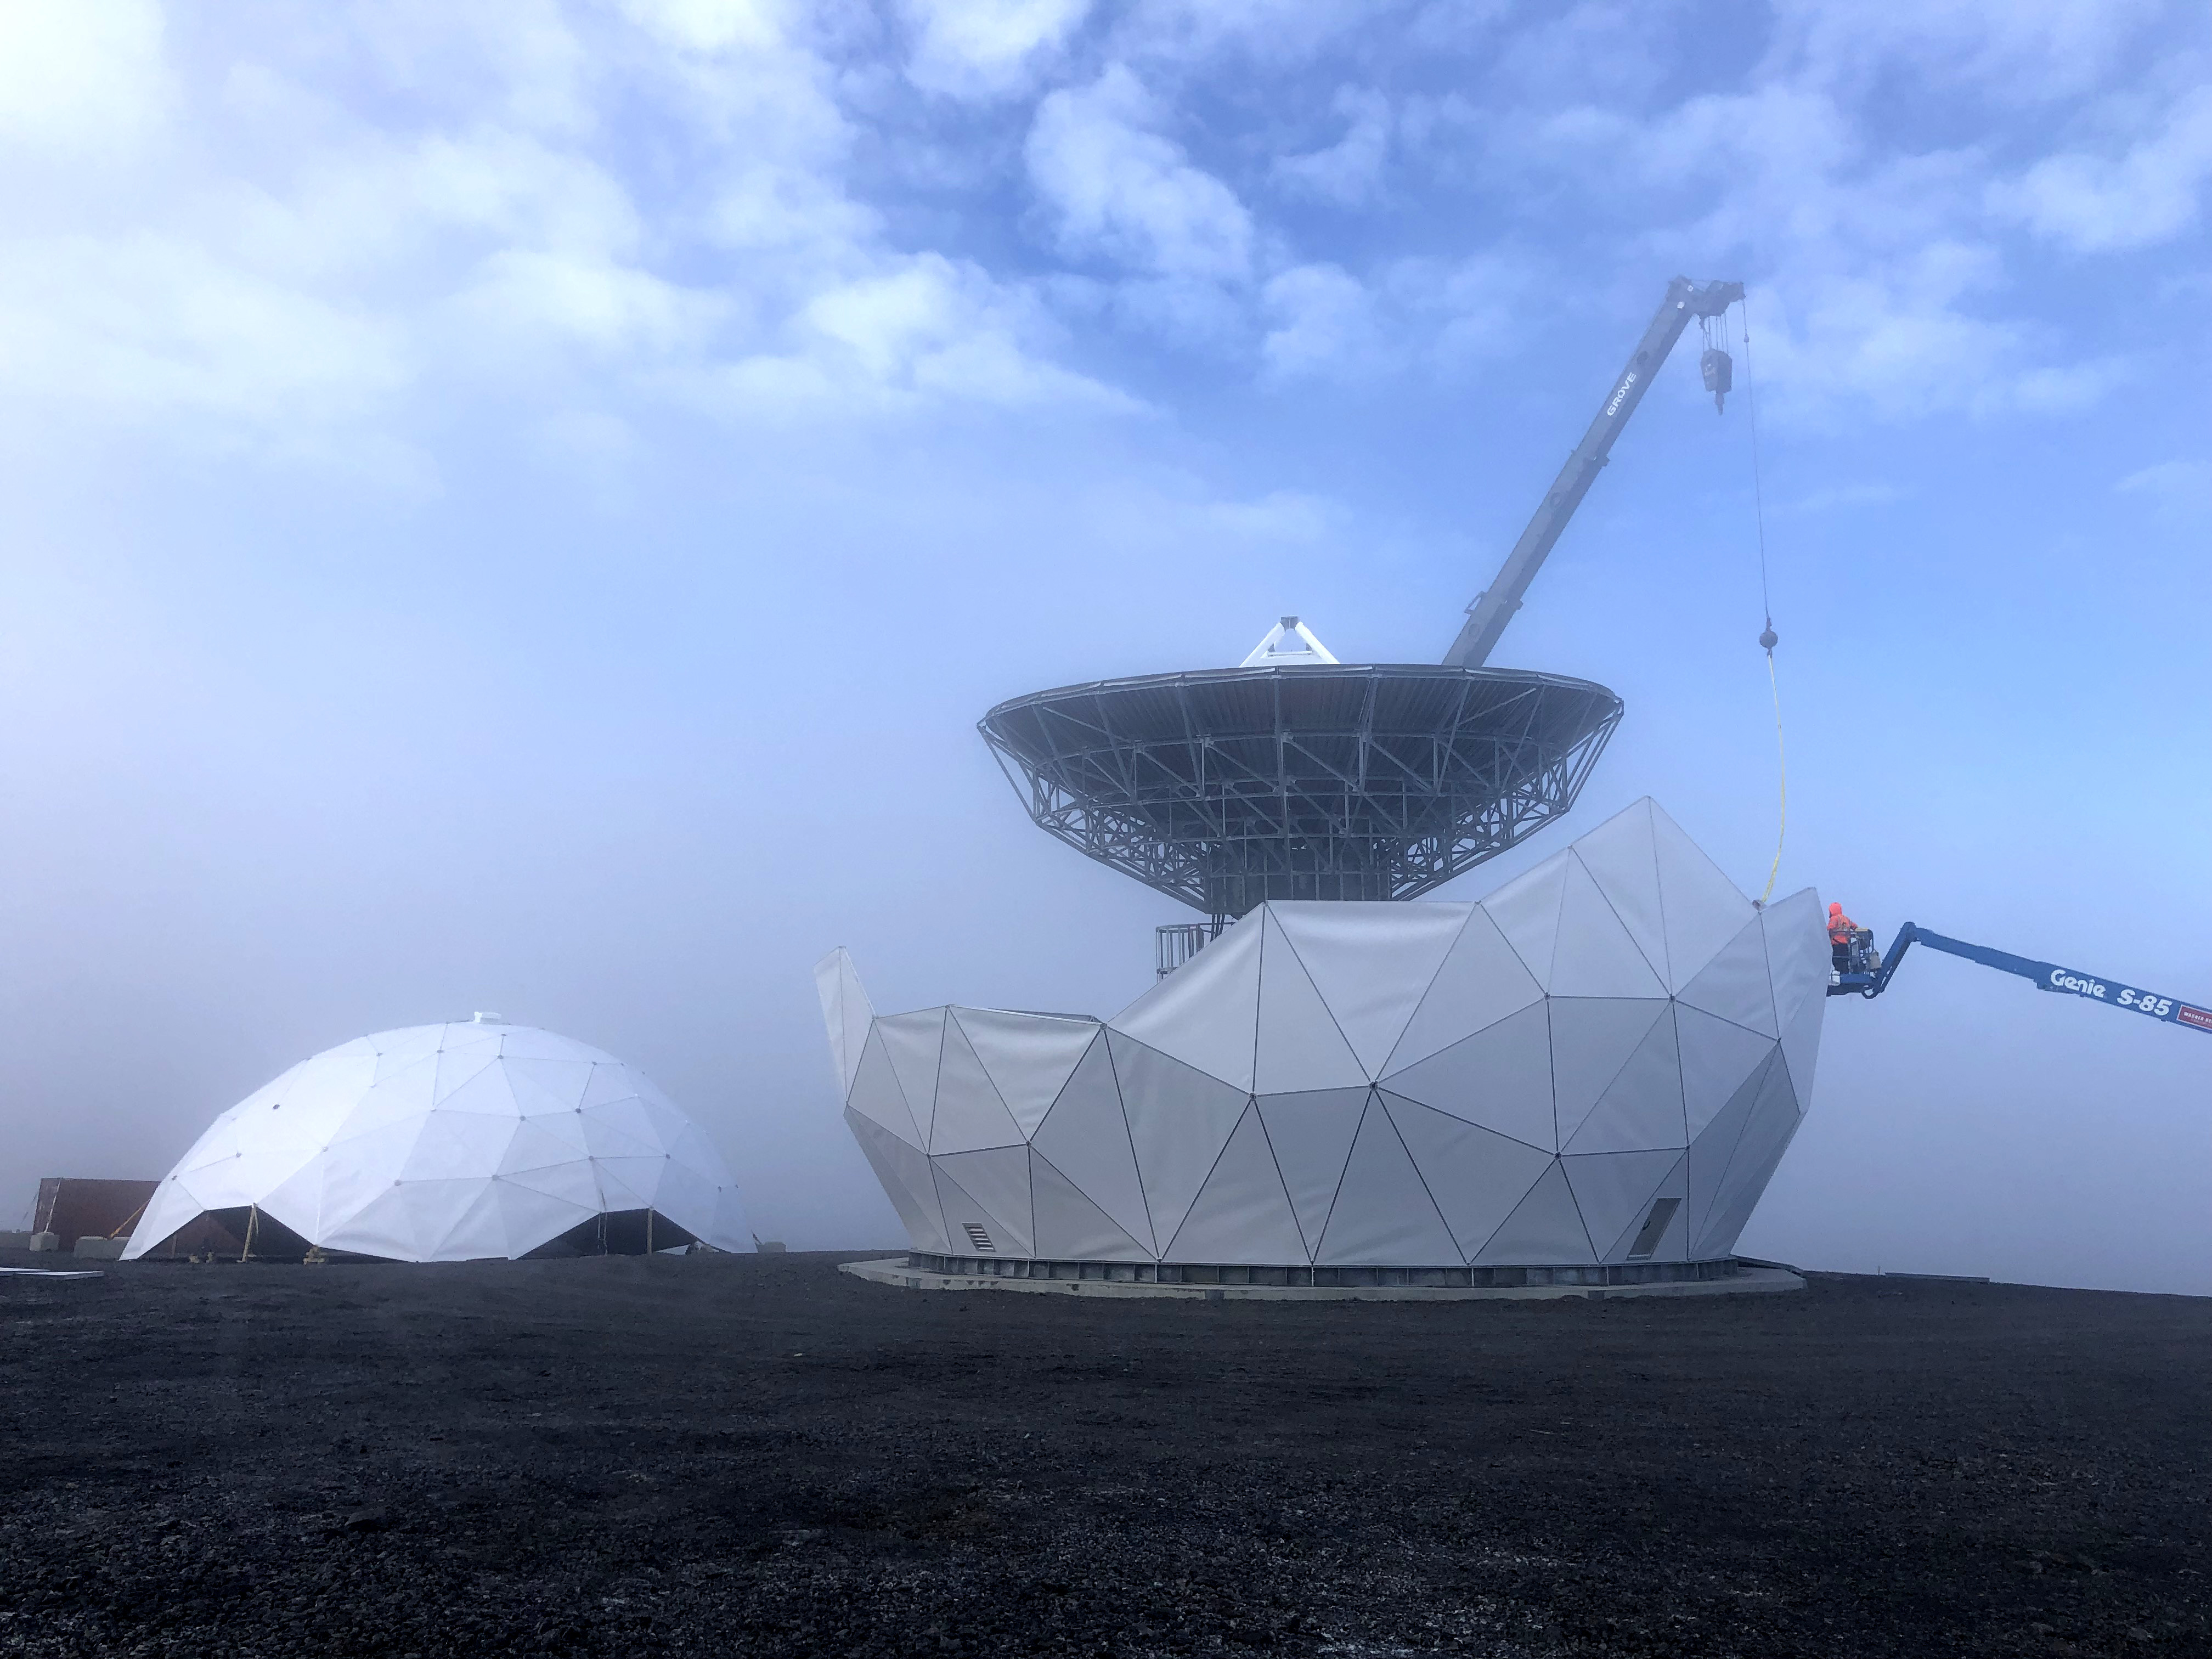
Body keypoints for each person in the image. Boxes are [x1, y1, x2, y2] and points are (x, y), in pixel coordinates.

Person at [1828, 901, 1859, 970]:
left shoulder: (1834, 918)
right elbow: (1855, 926)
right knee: (1845, 962)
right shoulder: (1846, 919)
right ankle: (1845, 973)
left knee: (1837, 962)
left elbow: (1830, 928)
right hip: (1845, 945)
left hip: (1836, 945)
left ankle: (1839, 975)